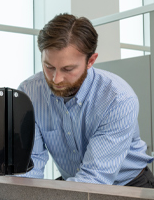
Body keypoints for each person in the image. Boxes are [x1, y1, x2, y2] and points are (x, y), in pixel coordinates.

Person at [18, 13, 154, 187]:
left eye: (68, 69)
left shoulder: (117, 99)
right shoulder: (29, 92)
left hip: (128, 184)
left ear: (91, 61)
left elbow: (95, 177)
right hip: (75, 182)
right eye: (49, 66)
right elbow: (32, 162)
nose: (56, 79)